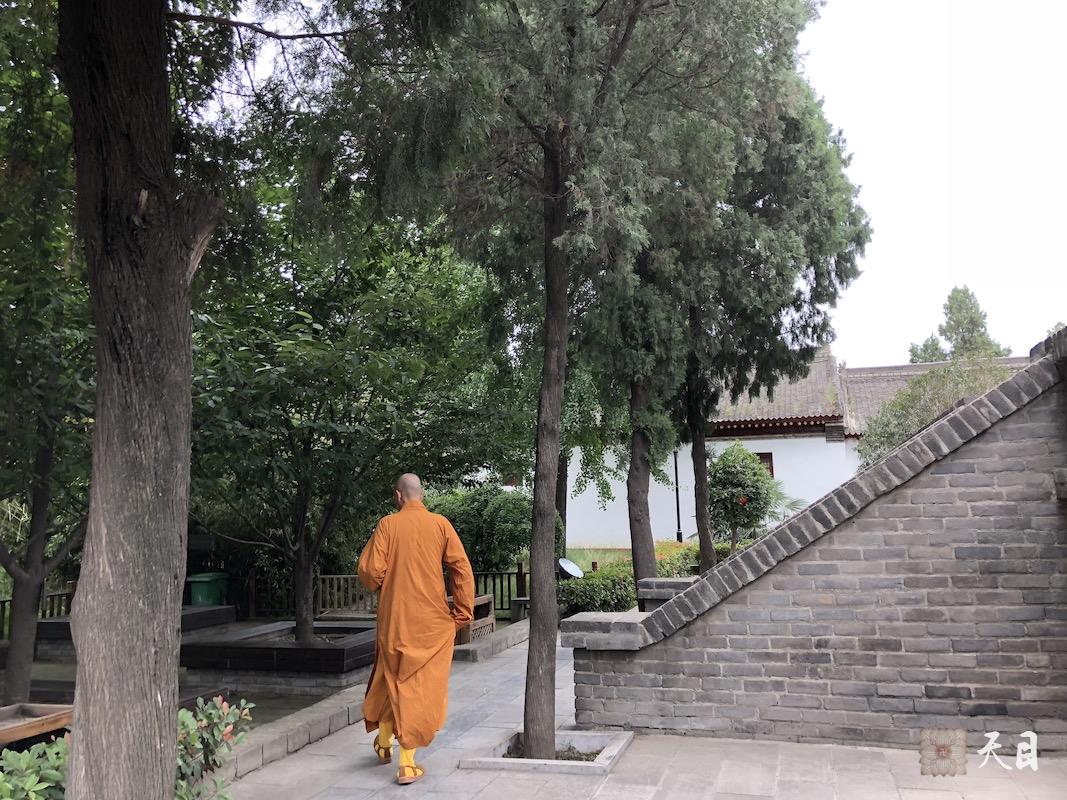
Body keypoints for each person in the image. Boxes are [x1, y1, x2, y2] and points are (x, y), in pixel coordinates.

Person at [357, 473, 474, 785]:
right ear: (420, 496)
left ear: (398, 496)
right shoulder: (440, 524)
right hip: (430, 623)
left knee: (391, 677)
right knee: (417, 686)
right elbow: (461, 568)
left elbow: (370, 573)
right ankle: (406, 762)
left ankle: (385, 743)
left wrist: (387, 579)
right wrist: (462, 612)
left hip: (394, 620)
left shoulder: (387, 525)